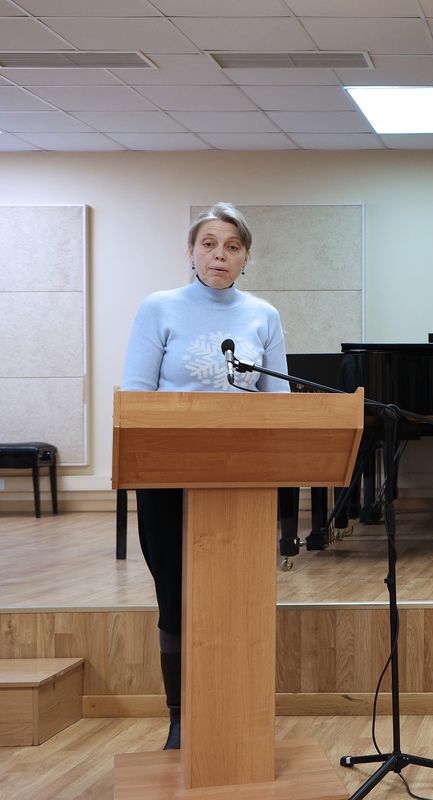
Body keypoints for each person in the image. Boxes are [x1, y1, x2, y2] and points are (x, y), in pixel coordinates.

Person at [121, 202, 289, 750]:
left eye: (232, 247)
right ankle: (180, 716)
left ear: (246, 257)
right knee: (175, 595)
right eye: (209, 244)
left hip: (242, 477)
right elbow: (136, 397)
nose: (220, 255)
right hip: (168, 473)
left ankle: (235, 708)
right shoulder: (159, 307)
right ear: (191, 253)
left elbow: (280, 403)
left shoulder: (263, 315)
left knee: (236, 596)